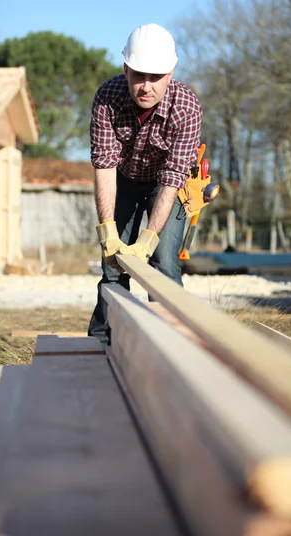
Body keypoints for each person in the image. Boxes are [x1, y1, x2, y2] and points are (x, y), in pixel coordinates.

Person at [87, 23, 203, 345]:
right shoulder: (107, 98)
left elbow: (172, 179)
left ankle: (173, 343)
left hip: (164, 185)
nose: (146, 86)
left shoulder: (187, 109)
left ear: (171, 73)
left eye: (156, 77)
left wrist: (150, 237)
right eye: (138, 75)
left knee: (164, 263)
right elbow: (105, 166)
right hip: (121, 180)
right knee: (113, 266)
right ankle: (103, 340)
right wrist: (108, 230)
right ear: (125, 68)